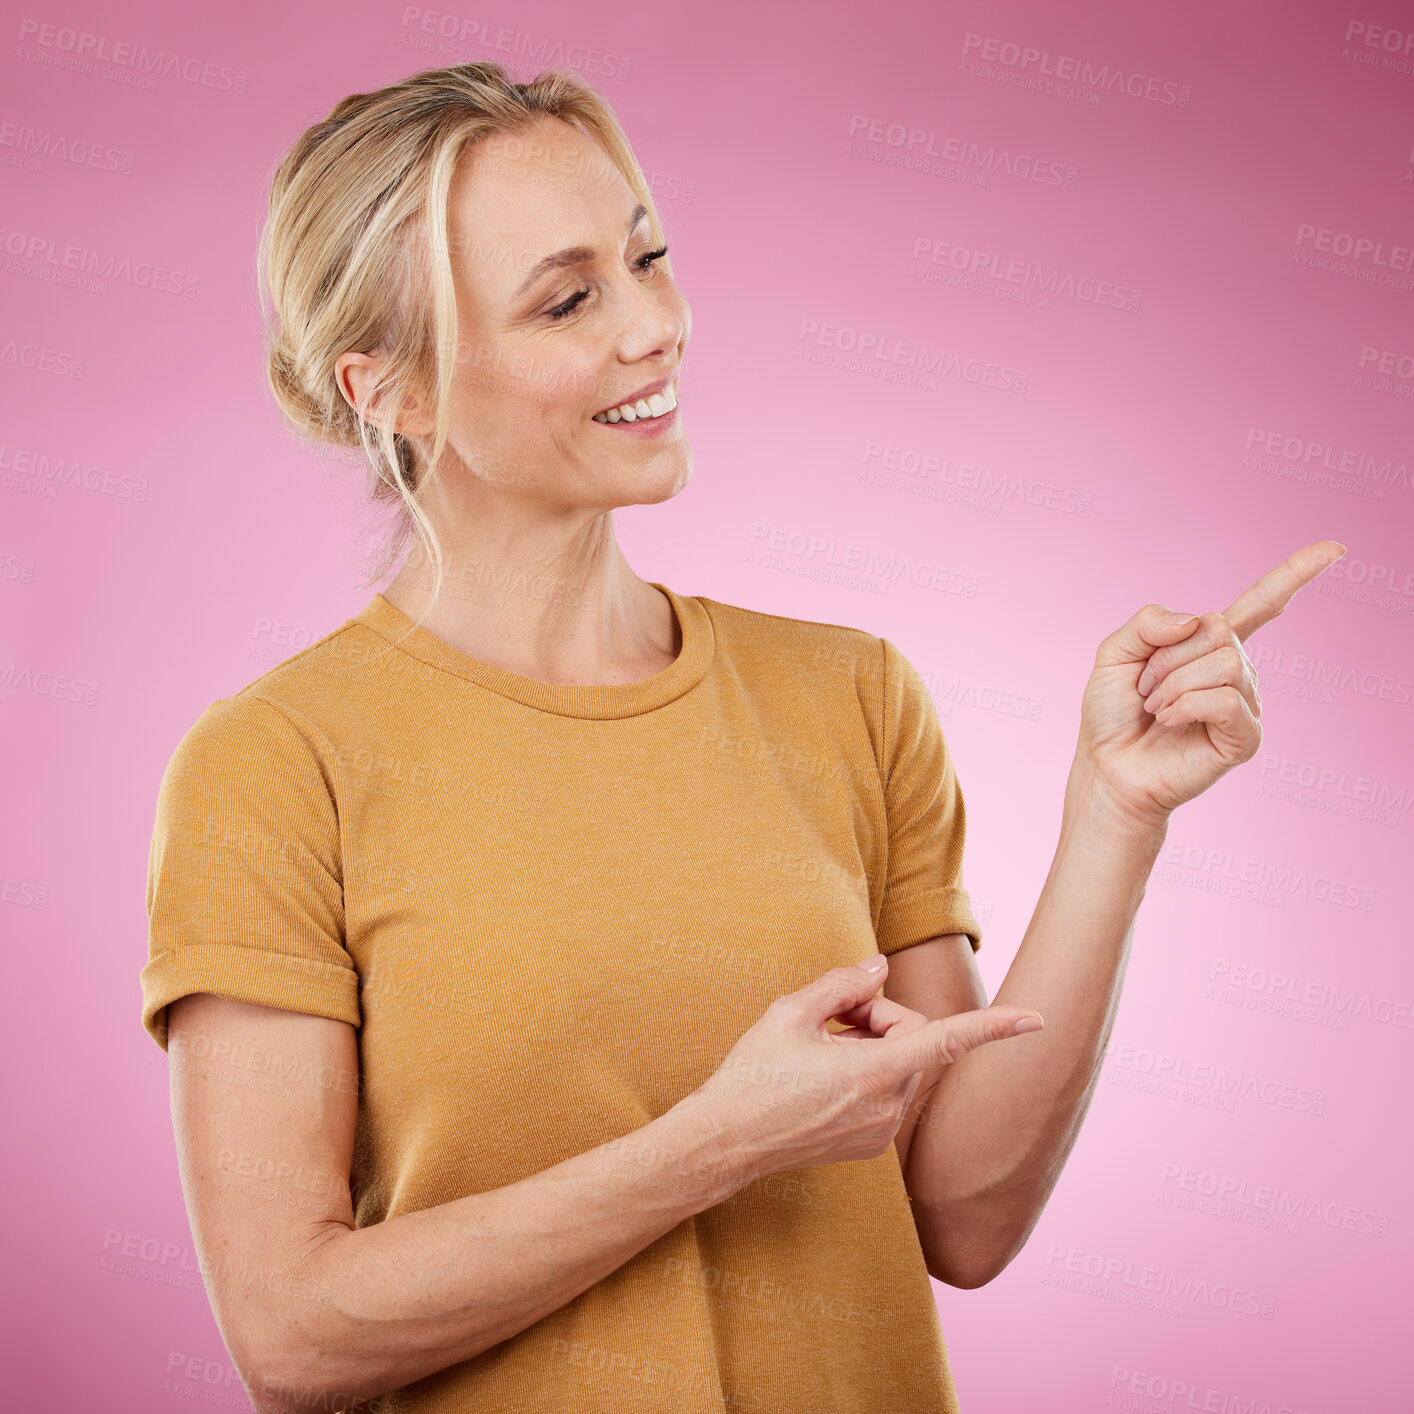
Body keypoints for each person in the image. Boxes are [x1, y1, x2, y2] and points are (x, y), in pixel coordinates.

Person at [139, 59, 1344, 1414]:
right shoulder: (275, 763)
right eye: (569, 298)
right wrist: (718, 1140)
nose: (654, 325)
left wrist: (1116, 817)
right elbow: (294, 1339)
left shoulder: (846, 693)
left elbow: (962, 1212)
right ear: (395, 391)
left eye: (647, 257)